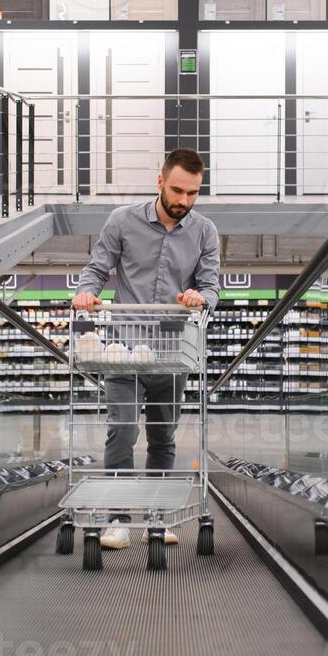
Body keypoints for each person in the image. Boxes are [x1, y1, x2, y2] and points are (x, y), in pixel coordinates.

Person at [72, 148, 221, 550]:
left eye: (193, 193)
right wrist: (87, 292)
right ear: (160, 181)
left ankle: (156, 513)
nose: (184, 202)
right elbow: (98, 268)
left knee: (162, 436)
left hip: (174, 351)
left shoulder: (205, 231)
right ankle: (118, 518)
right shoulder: (122, 220)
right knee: (121, 430)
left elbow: (212, 287)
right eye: (177, 190)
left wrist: (199, 297)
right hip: (124, 346)